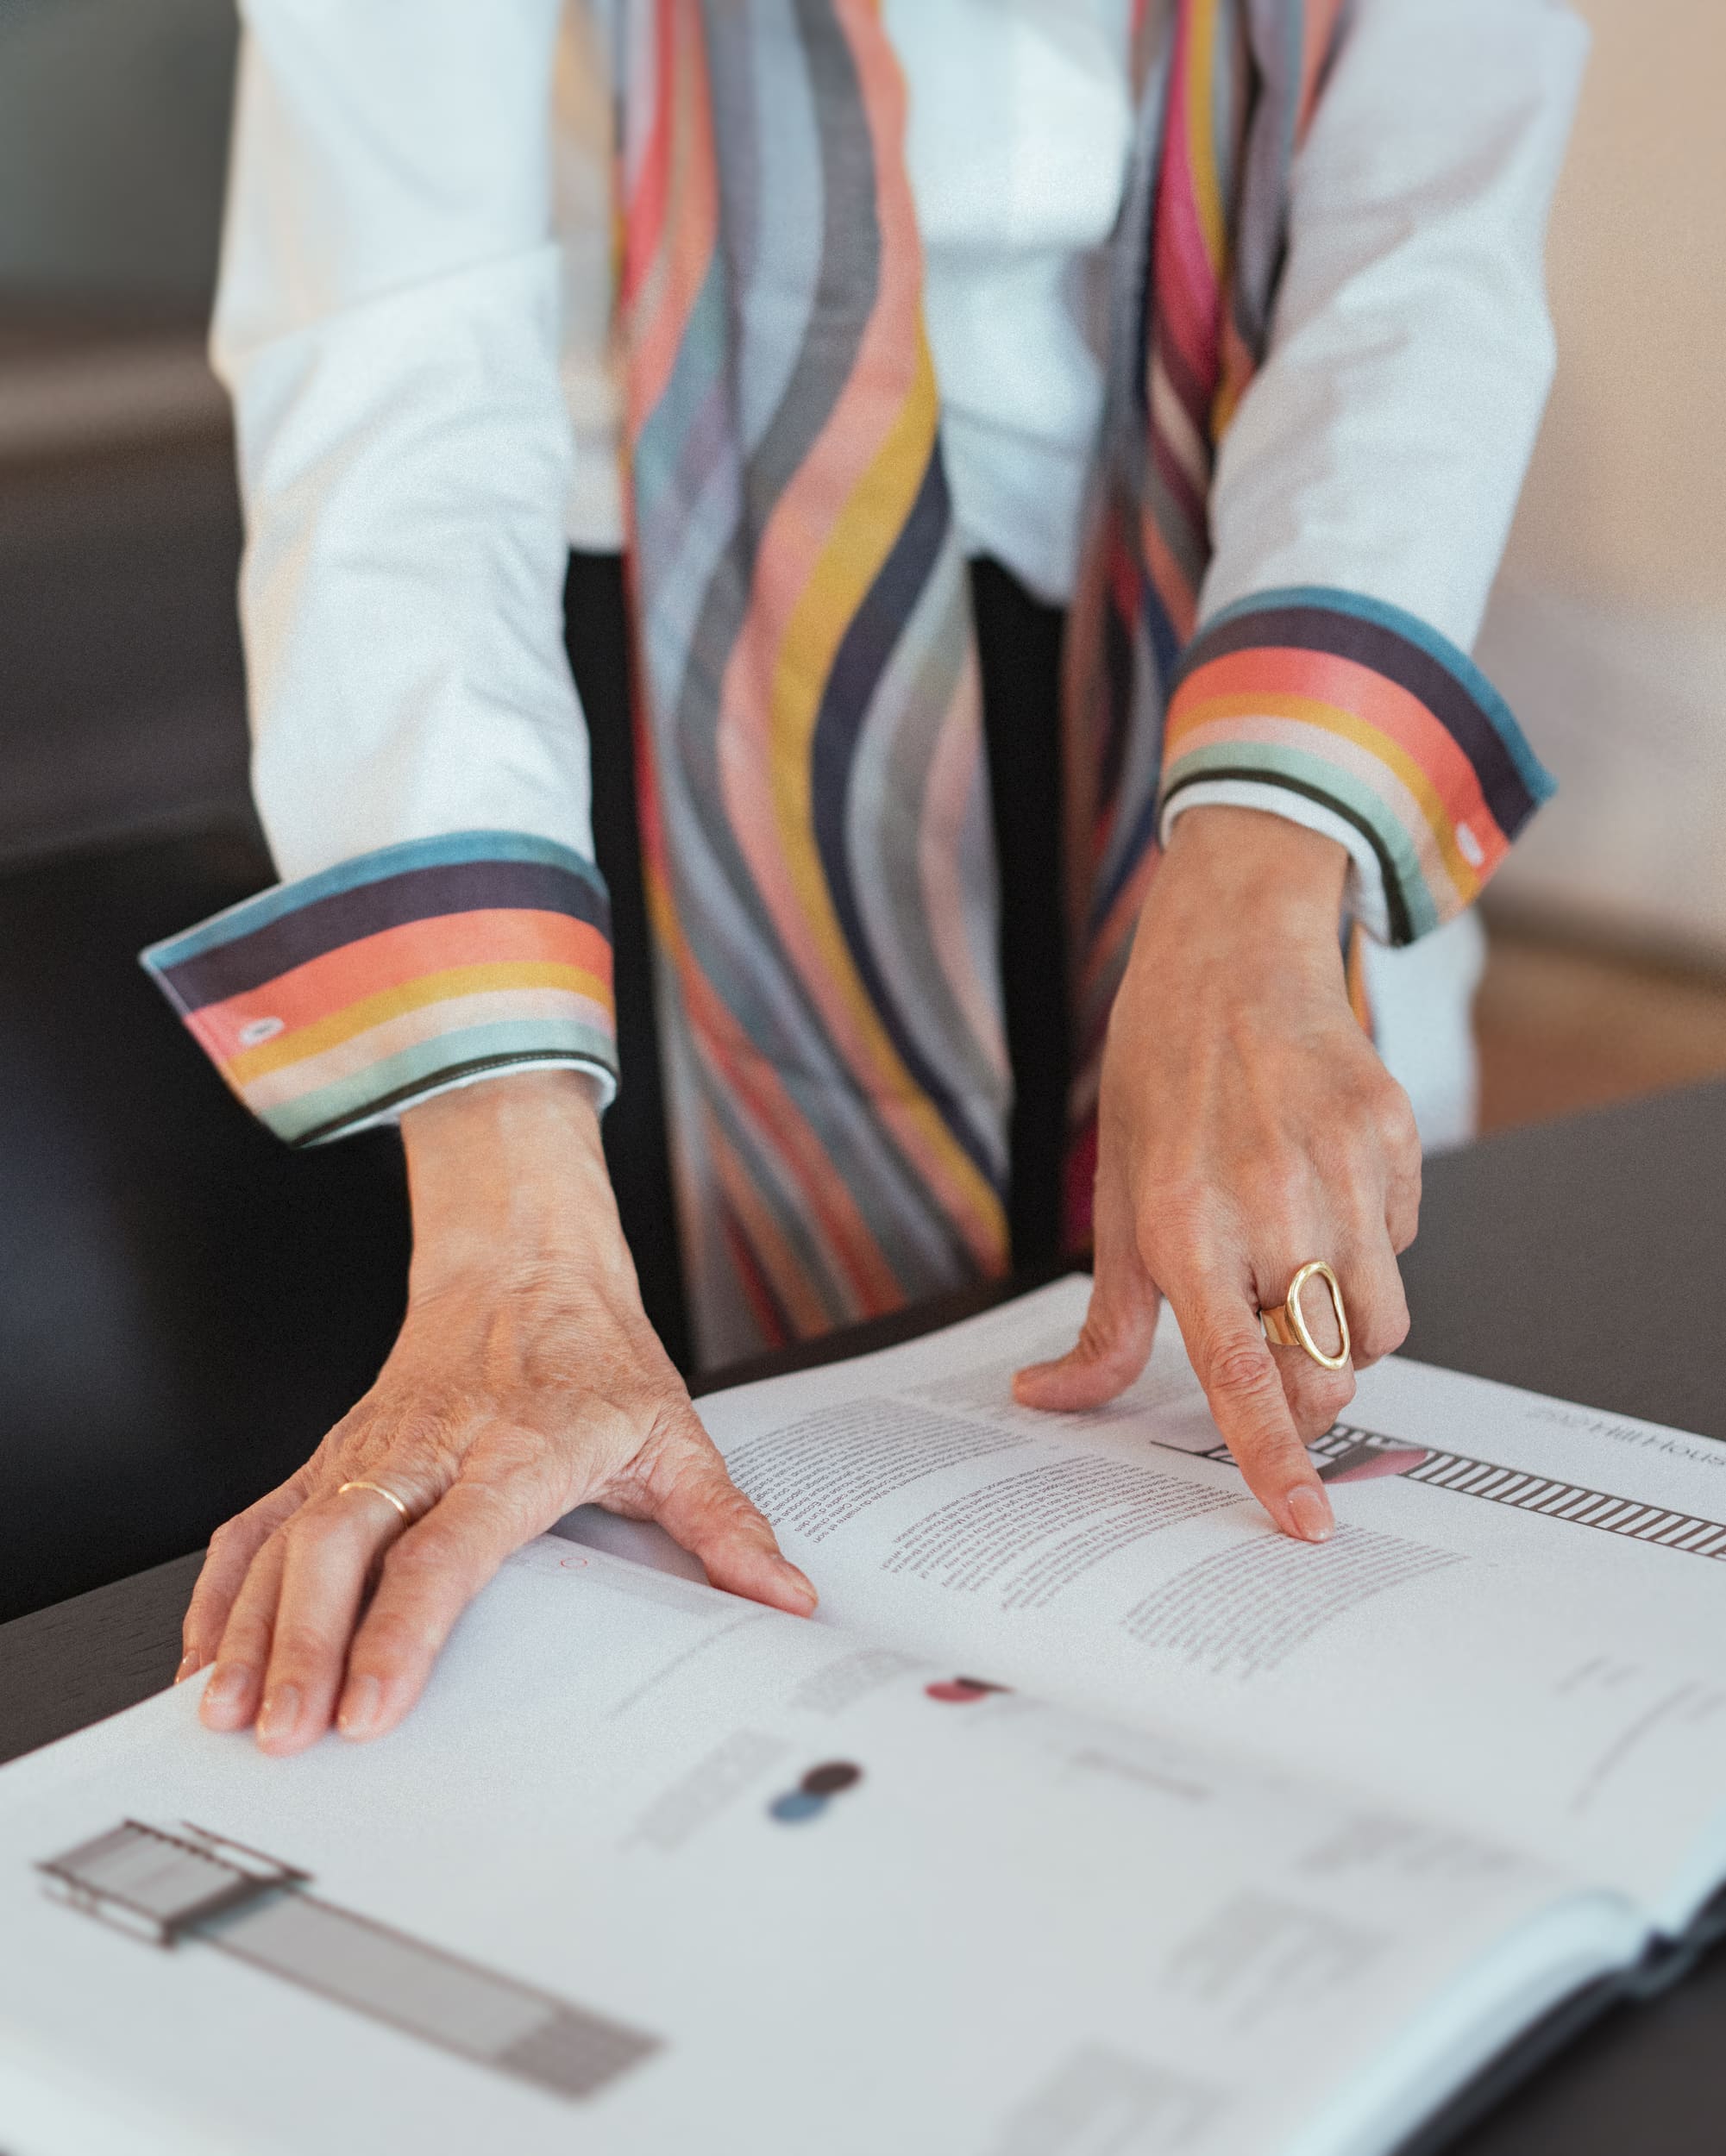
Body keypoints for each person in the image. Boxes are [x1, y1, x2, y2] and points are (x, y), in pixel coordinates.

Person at [148, 0, 1585, 1755]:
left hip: (1229, 582)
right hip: (654, 626)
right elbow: (390, 352)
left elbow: (1422, 242)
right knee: (747, 1572)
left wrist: (1263, 876)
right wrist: (508, 1222)